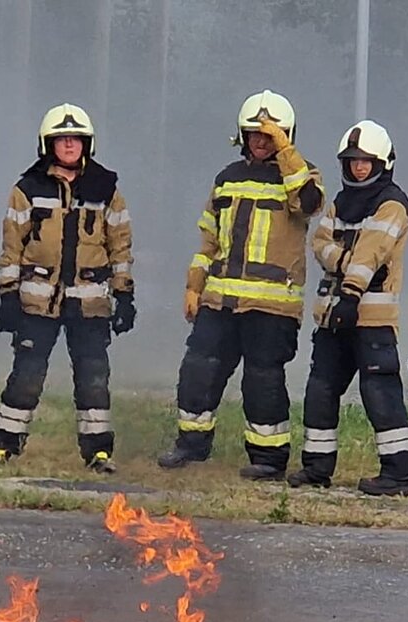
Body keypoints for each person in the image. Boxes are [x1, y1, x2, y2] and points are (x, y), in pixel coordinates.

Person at [155, 90, 323, 480]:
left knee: (262, 379)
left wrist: (287, 155)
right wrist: (194, 286)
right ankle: (191, 444)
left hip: (272, 307)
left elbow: (309, 204)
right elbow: (208, 241)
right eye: (255, 134)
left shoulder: (303, 174)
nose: (262, 141)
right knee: (198, 368)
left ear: (286, 136)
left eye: (272, 135)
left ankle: (268, 457)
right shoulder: (226, 179)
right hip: (221, 300)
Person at [0, 103, 134, 474]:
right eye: (62, 140)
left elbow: (120, 246)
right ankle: (4, 444)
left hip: (90, 305)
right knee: (27, 374)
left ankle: (98, 451)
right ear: (47, 144)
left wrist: (125, 294)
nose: (69, 146)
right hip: (38, 303)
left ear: (88, 144)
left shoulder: (106, 189)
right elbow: (11, 248)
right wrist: (7, 296)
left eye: (76, 140)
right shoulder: (27, 189)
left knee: (94, 377)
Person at [293, 120, 408, 495]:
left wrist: (349, 289)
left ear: (383, 163)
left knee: (379, 392)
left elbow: (372, 252)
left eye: (367, 161)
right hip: (333, 316)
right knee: (321, 389)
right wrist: (346, 267)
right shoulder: (340, 203)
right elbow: (320, 242)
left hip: (372, 319)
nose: (359, 167)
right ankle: (316, 467)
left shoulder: (392, 203)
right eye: (353, 160)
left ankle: (398, 474)